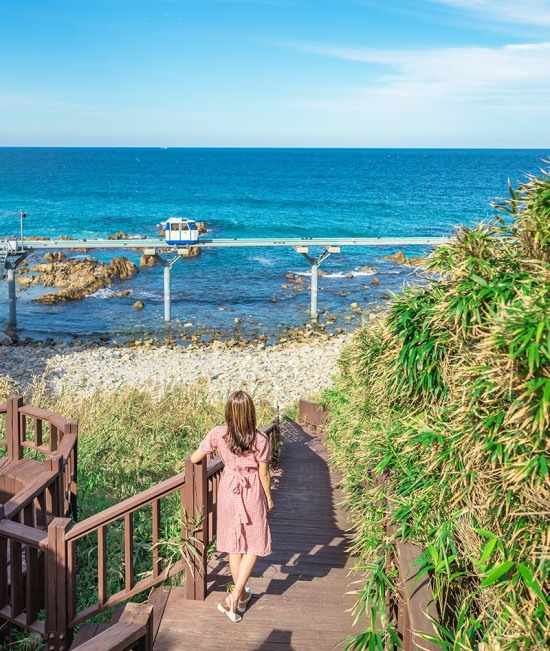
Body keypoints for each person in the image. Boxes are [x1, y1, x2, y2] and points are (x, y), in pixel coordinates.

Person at [190, 390, 274, 622]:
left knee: (234, 545)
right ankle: (238, 593)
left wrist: (212, 453)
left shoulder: (219, 434)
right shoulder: (260, 439)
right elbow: (264, 474)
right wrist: (269, 498)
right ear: (251, 413)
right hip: (251, 489)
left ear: (229, 412)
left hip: (228, 488)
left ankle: (240, 595)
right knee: (255, 542)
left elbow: (195, 458)